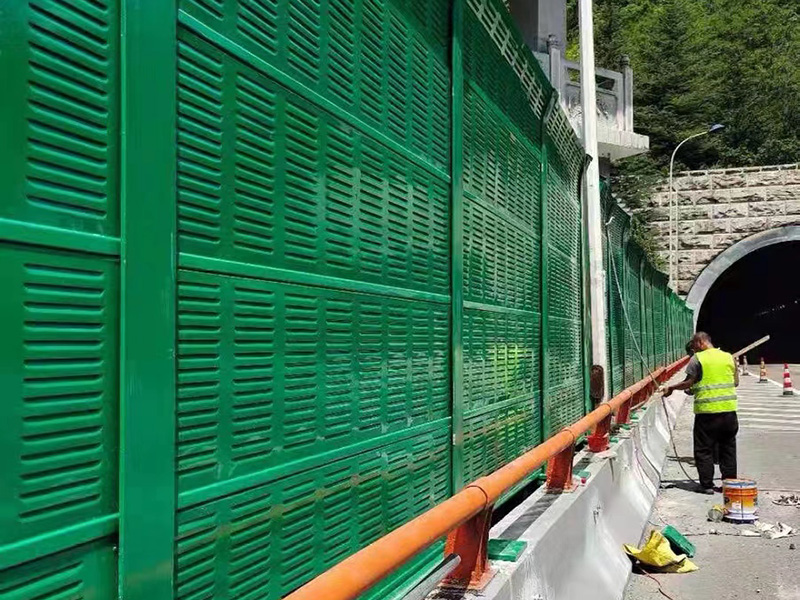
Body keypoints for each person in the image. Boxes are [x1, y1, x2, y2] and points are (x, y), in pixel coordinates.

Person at [663, 332, 739, 494]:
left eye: (694, 346)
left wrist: (671, 388)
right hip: (729, 412)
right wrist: (698, 388)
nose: (693, 350)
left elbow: (688, 382)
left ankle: (706, 485)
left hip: (707, 414)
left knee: (704, 450)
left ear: (700, 342)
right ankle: (730, 485)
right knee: (728, 449)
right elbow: (735, 382)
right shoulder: (728, 357)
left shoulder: (698, 359)